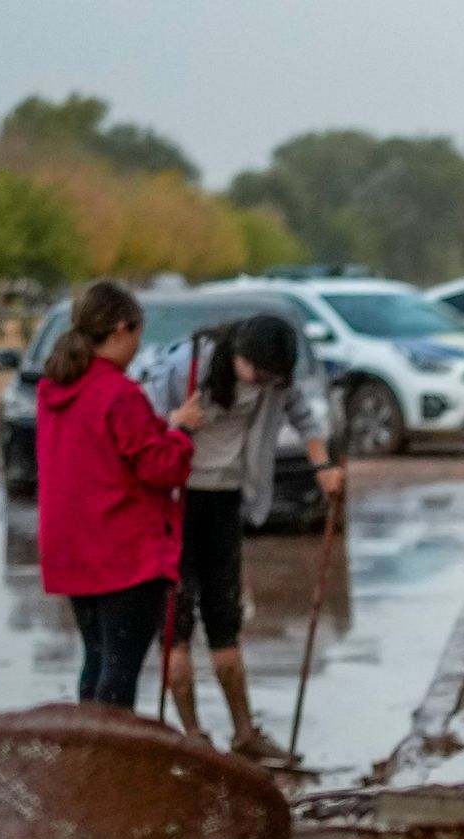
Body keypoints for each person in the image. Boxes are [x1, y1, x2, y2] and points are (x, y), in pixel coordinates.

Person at [132, 312, 343, 760]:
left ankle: (244, 733)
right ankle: (193, 736)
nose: (264, 383)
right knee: (176, 623)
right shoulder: (184, 369)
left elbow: (305, 419)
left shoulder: (275, 380)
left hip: (225, 501)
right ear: (238, 354)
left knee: (225, 619)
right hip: (177, 499)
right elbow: (144, 431)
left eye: (273, 377)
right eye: (258, 372)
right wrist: (177, 422)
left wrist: (323, 466)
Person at [32, 281, 203, 711]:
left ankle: (88, 751)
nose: (137, 347)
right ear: (121, 329)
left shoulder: (53, 390)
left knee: (95, 659)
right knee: (120, 670)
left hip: (73, 549)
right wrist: (180, 432)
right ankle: (107, 761)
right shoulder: (120, 394)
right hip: (123, 555)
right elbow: (159, 468)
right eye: (137, 336)